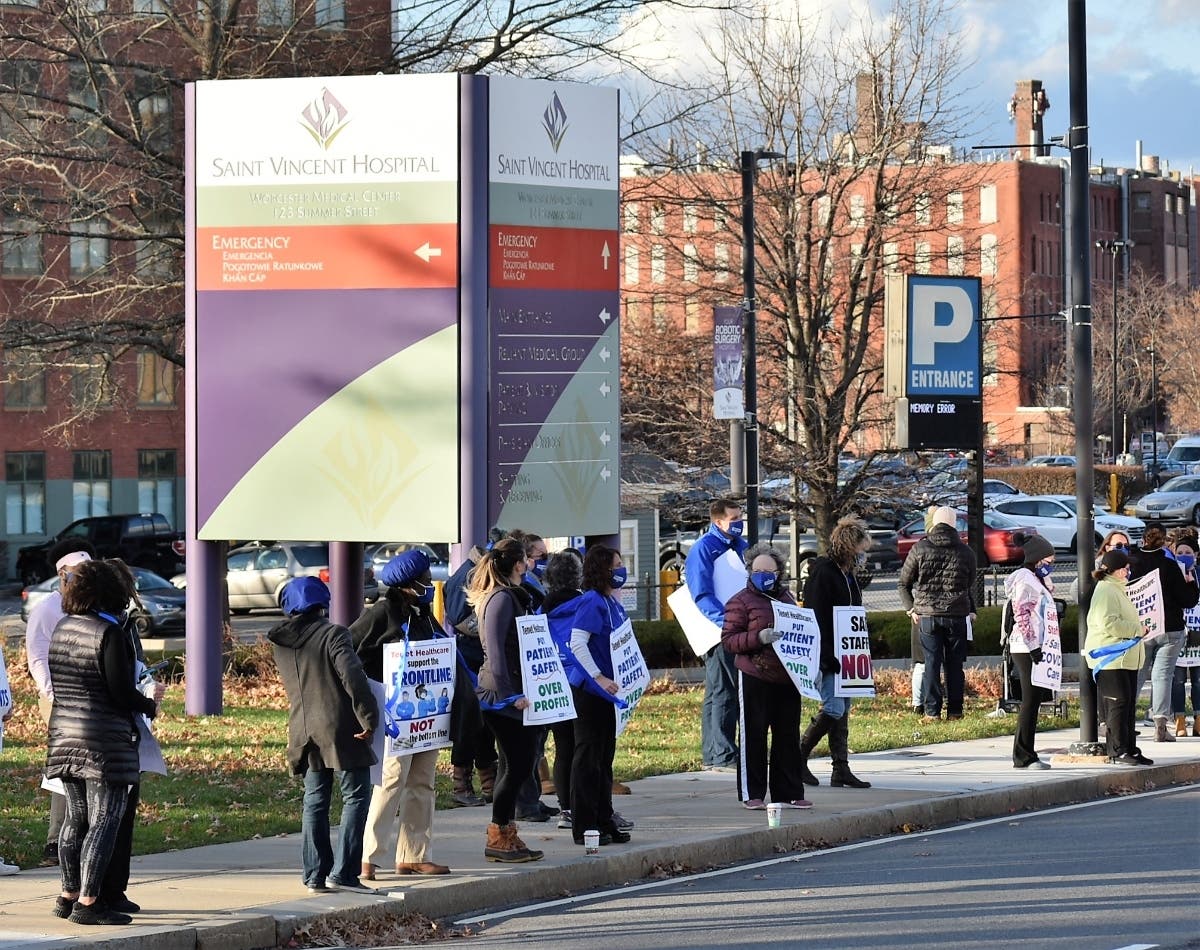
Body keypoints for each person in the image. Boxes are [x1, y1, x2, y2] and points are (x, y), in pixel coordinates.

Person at [45, 558, 162, 926]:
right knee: (104, 819)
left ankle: (67, 893)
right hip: (103, 739)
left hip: (64, 733)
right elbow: (120, 691)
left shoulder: (64, 627)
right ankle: (89, 901)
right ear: (110, 592)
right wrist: (149, 704)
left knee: (76, 818)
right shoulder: (107, 633)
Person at [268, 576, 378, 894]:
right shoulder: (333, 634)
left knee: (315, 801)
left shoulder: (281, 642)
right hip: (341, 727)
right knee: (356, 797)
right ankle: (343, 873)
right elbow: (352, 677)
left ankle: (314, 874)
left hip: (303, 728)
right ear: (322, 604)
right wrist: (368, 718)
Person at [350, 549, 451, 879]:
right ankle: (368, 856)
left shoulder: (422, 614)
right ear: (410, 583)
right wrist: (375, 684)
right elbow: (350, 649)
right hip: (396, 716)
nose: (429, 583)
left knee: (423, 783)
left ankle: (414, 854)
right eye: (424, 578)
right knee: (390, 781)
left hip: (428, 715)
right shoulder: (381, 613)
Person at [470, 538, 544, 862]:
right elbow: (496, 654)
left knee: (515, 763)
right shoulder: (500, 599)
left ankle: (506, 831)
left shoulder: (509, 596)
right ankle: (498, 834)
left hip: (510, 690)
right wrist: (510, 695)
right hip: (501, 695)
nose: (530, 564)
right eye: (527, 559)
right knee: (519, 763)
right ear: (518, 564)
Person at [721, 543, 811, 810]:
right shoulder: (740, 601)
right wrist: (757, 638)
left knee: (787, 737)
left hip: (786, 678)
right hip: (754, 675)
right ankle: (753, 793)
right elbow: (728, 640)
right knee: (754, 736)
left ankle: (789, 791)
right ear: (749, 571)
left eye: (768, 571)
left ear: (779, 573)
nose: (762, 575)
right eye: (757, 570)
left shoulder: (786, 599)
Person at [25, 539, 96, 867]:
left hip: (92, 700)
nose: (84, 577)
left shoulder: (92, 605)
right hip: (59, 701)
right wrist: (54, 695)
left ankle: (86, 836)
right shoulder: (47, 610)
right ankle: (56, 841)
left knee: (90, 769)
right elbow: (37, 657)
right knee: (65, 769)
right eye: (78, 572)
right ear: (62, 575)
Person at [565, 544, 634, 845]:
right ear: (602, 569)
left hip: (608, 694)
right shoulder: (592, 602)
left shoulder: (610, 602)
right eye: (616, 564)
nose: (621, 569)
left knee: (604, 760)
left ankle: (604, 819)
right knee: (588, 760)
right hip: (590, 691)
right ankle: (584, 825)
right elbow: (578, 643)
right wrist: (598, 676)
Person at [798, 517, 871, 789]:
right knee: (833, 707)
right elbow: (816, 615)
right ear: (849, 545)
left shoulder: (847, 573)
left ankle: (841, 768)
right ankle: (798, 755)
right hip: (829, 653)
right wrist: (825, 654)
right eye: (860, 547)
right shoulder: (824, 572)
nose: (863, 553)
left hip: (848, 653)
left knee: (843, 711)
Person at [898, 506, 977, 722]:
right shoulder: (966, 551)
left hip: (927, 615)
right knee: (955, 666)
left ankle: (932, 711)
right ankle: (955, 711)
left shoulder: (920, 548)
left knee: (931, 663)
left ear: (933, 522)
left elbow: (904, 583)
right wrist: (970, 609)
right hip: (957, 614)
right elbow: (970, 584)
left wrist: (911, 608)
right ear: (953, 524)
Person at [443, 529, 504, 807]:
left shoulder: (488, 570)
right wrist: (487, 628)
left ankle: (488, 779)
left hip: (484, 656)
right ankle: (461, 783)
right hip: (468, 659)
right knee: (470, 722)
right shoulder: (464, 575)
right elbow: (456, 618)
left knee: (487, 723)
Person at [686, 498, 748, 771]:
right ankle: (722, 754)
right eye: (734, 518)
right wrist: (727, 623)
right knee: (724, 691)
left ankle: (715, 753)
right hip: (720, 632)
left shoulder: (740, 547)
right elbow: (701, 594)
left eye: (740, 517)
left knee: (718, 691)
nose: (739, 522)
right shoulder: (703, 550)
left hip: (737, 628)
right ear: (718, 521)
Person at [1128, 525, 1198, 742]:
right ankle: (1160, 726)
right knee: (1162, 677)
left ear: (1143, 539)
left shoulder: (1132, 563)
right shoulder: (1170, 565)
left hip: (1141, 628)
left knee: (1136, 675)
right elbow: (1188, 599)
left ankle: (1126, 722)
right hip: (1170, 627)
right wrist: (1190, 582)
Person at [1085, 549, 1150, 765]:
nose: (1128, 570)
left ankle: (1130, 748)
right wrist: (1137, 629)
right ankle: (1118, 750)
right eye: (1126, 567)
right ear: (1117, 571)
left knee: (1128, 704)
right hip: (1111, 657)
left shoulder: (1118, 589)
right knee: (1118, 703)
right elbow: (1109, 623)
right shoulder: (1106, 591)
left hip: (1125, 657)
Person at [1002, 535, 1056, 769]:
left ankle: (1027, 752)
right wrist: (1034, 647)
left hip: (1034, 645)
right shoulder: (1025, 580)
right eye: (1048, 559)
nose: (1051, 564)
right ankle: (1023, 754)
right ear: (1036, 558)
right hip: (1026, 647)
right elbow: (1021, 614)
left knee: (1033, 700)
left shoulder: (1035, 579)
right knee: (1030, 700)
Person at [542, 549, 585, 830]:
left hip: (555, 684)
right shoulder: (586, 605)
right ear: (578, 577)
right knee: (586, 748)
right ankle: (585, 805)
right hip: (585, 683)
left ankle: (566, 810)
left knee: (563, 748)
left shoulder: (541, 610)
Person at [1170, 534, 1200, 737]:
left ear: (1196, 554)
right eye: (1179, 553)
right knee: (1177, 680)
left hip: (1198, 632)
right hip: (1179, 632)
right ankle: (1179, 719)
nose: (1183, 556)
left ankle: (1199, 719)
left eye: (1188, 553)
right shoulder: (1171, 573)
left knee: (1198, 680)